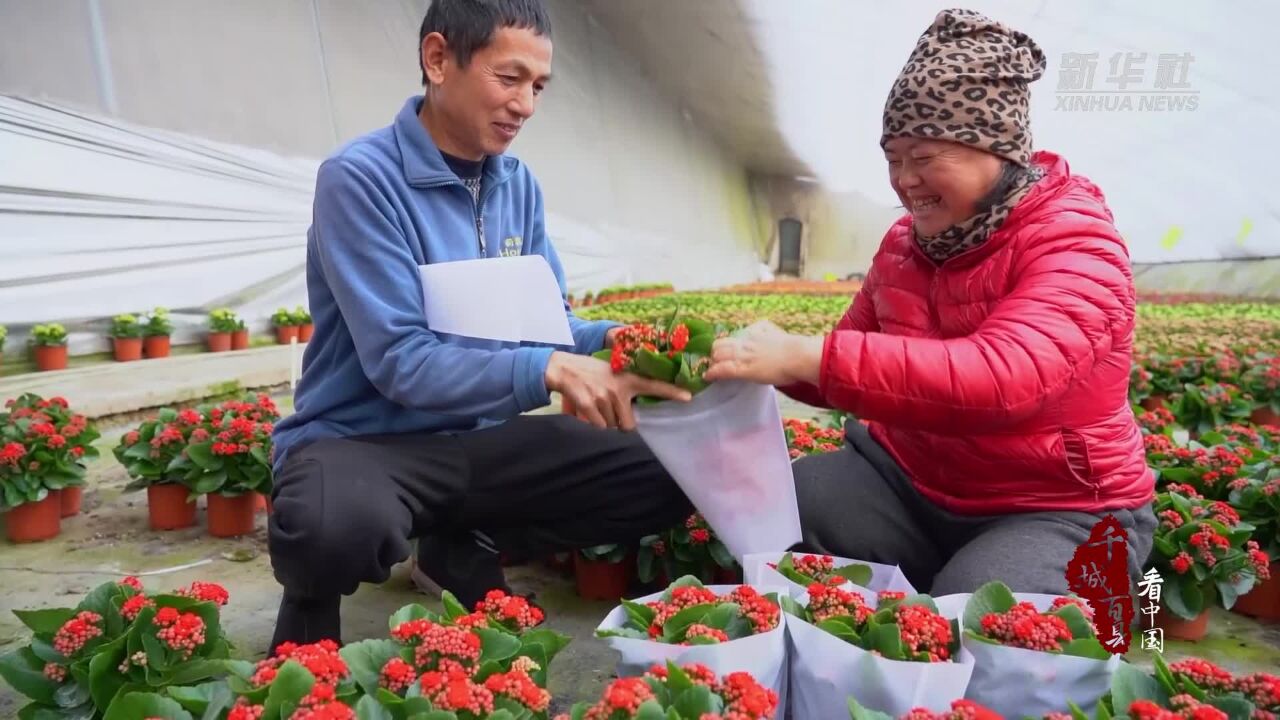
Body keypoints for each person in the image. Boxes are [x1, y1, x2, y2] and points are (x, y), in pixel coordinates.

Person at [266, 0, 692, 650]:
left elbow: (547, 327)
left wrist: (623, 343)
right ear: (439, 59)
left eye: (539, 87)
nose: (524, 104)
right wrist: (547, 369)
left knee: (672, 465)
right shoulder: (360, 180)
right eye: (509, 78)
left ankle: (455, 544)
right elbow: (401, 360)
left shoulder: (518, 185)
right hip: (362, 443)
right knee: (331, 524)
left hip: (479, 448)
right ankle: (309, 609)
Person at [705, 8, 1156, 596]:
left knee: (986, 609)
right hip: (914, 486)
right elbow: (841, 365)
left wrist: (803, 355)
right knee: (794, 505)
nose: (905, 180)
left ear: (997, 150)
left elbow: (1007, 377)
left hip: (1059, 506)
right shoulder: (903, 246)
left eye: (923, 158)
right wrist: (746, 360)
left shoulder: (1074, 239)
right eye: (894, 159)